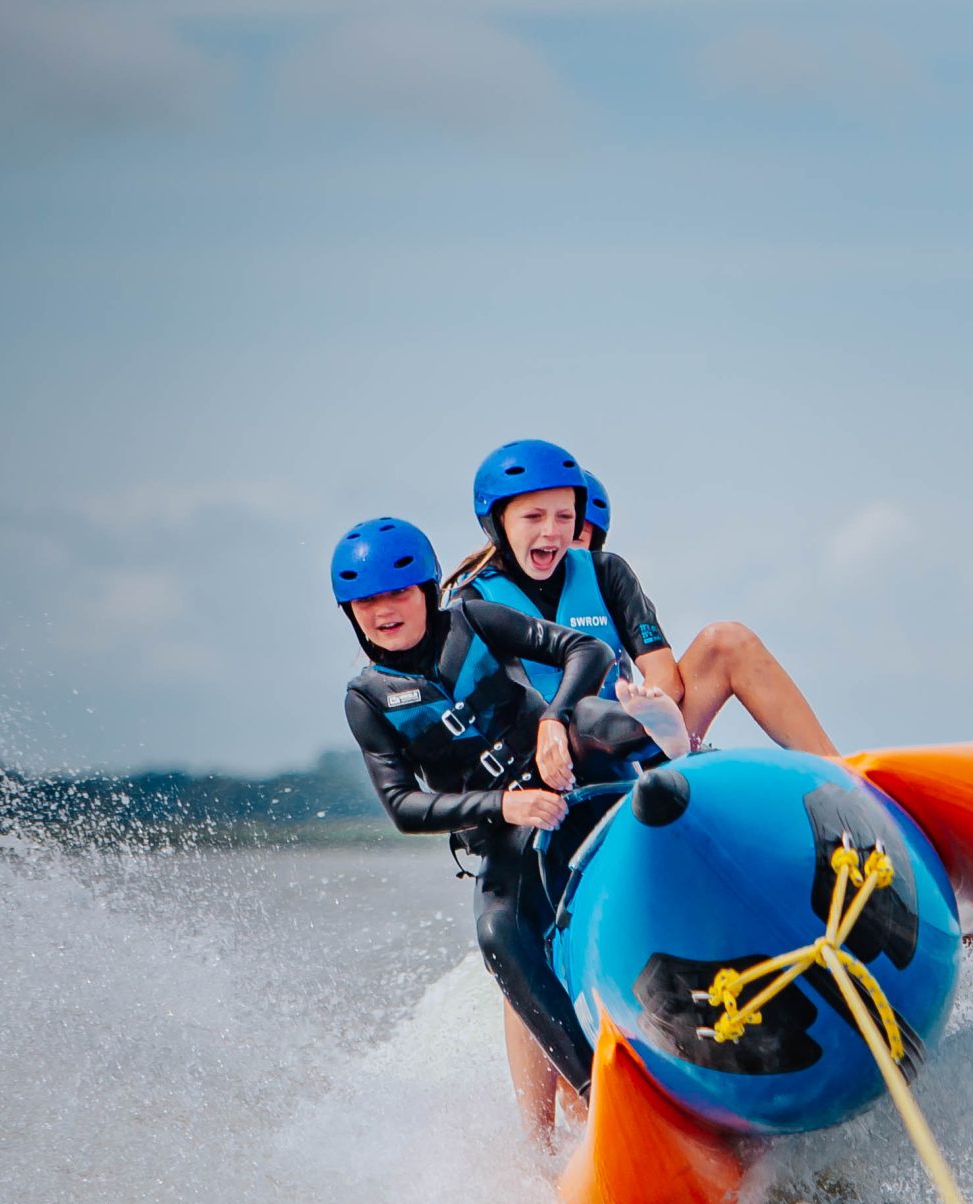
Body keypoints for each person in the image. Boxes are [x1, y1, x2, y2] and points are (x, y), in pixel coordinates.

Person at [334, 515, 653, 1138]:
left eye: (397, 593)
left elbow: (587, 650)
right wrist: (503, 805)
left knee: (602, 719)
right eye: (366, 602)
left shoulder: (473, 621)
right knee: (497, 933)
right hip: (509, 835)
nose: (383, 611)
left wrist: (555, 719)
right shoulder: (367, 698)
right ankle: (602, 1100)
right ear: (350, 612)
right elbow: (402, 805)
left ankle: (683, 787)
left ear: (426, 590)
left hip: (579, 781)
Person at [443, 439, 839, 754]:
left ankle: (842, 776)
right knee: (586, 711)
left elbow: (665, 674)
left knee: (727, 640)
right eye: (533, 517)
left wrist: (648, 710)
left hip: (642, 739)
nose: (552, 532)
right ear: (499, 523)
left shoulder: (607, 572)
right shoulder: (474, 602)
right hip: (553, 759)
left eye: (565, 518)